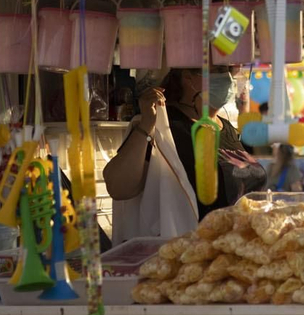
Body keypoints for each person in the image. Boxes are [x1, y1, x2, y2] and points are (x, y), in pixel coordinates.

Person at [104, 67, 266, 219]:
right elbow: (119, 187)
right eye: (218, 70)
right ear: (187, 76)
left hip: (241, 240)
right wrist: (147, 124)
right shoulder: (164, 124)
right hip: (195, 243)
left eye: (228, 70)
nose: (227, 79)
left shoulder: (227, 127)